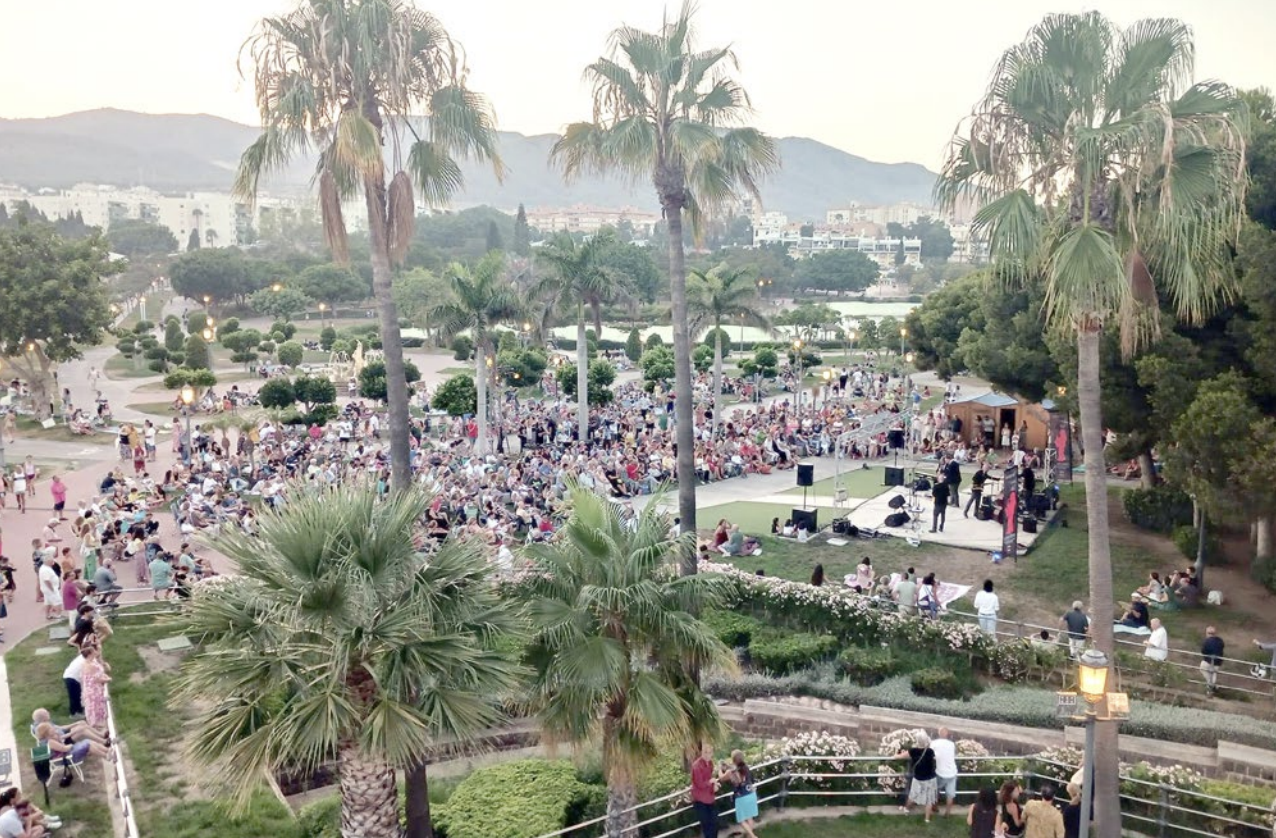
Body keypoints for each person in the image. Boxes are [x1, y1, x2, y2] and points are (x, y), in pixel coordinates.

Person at [896, 732, 938, 824]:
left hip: (918, 778)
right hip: (930, 778)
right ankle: (927, 819)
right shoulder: (930, 751)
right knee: (929, 799)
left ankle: (906, 809)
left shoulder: (913, 751)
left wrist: (896, 754)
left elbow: (899, 757)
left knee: (913, 795)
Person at [718, 750, 758, 838]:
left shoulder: (731, 771)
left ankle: (753, 836)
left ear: (733, 759)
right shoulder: (746, 767)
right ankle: (748, 835)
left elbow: (721, 778)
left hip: (741, 797)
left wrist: (719, 769)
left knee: (741, 820)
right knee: (749, 817)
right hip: (751, 794)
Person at [690, 742, 719, 838]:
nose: (707, 755)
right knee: (707, 826)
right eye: (705, 752)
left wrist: (714, 784)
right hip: (700, 799)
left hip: (710, 798)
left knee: (715, 823)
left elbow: (709, 778)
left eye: (709, 753)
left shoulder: (710, 763)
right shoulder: (696, 766)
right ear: (702, 753)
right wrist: (711, 782)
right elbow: (700, 784)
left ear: (712, 753)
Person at [81, 644, 111, 730]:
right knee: (96, 706)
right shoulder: (91, 665)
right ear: (90, 653)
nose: (95, 651)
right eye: (93, 651)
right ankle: (97, 726)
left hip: (90, 688)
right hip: (94, 689)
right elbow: (97, 679)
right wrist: (108, 679)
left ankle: (97, 725)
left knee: (94, 706)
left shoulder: (88, 662)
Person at [931, 727, 958, 817]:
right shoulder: (951, 744)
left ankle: (935, 806)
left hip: (941, 772)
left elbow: (930, 754)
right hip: (952, 771)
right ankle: (947, 813)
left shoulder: (934, 743)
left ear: (939, 733)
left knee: (936, 790)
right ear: (947, 734)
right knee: (950, 794)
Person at [1200, 626, 1225, 695]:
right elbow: (1222, 647)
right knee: (1214, 674)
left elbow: (1203, 651)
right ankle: (1212, 688)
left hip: (1208, 661)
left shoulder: (1207, 641)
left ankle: (1211, 686)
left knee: (1203, 668)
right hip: (1218, 662)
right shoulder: (1220, 640)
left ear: (1207, 633)